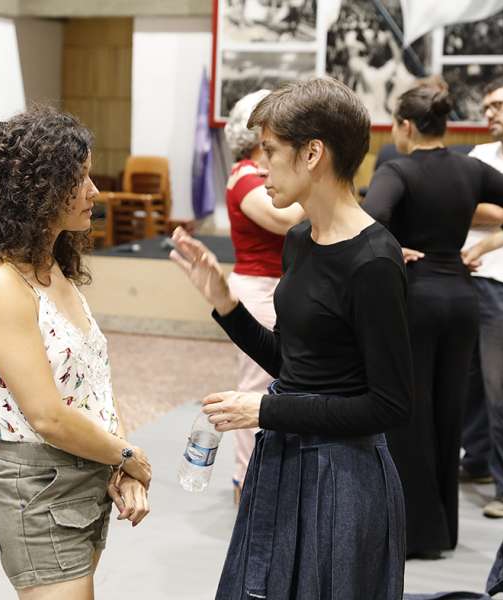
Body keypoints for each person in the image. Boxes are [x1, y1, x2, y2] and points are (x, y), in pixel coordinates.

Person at [171, 77, 412, 599]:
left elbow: (388, 405)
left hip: (342, 478)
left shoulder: (373, 260)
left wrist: (266, 411)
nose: (260, 167)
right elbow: (294, 364)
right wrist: (226, 306)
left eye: (271, 152)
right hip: (286, 463)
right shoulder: (301, 240)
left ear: (312, 154)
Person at [0, 106, 151, 599]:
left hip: (85, 471)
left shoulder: (53, 268)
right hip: (40, 483)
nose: (95, 192)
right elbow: (47, 416)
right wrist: (127, 455)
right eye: (79, 179)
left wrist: (117, 465)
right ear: (37, 189)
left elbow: (94, 383)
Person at [363, 80, 503, 557]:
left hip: (417, 298)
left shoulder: (398, 168)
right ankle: (445, 532)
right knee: (448, 413)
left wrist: (395, 248)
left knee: (409, 413)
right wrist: (491, 243)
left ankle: (417, 534)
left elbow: (370, 218)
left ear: (406, 126)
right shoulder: (472, 168)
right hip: (461, 298)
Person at [222, 89, 304, 504]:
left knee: (275, 387)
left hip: (276, 287)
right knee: (257, 389)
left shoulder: (261, 173)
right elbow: (282, 220)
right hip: (258, 289)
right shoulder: (244, 175)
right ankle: (246, 481)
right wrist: (318, 189)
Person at [460, 76, 503, 519]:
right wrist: (498, 206)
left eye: (497, 105)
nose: (489, 115)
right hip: (466, 283)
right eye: (485, 107)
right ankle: (476, 461)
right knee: (470, 384)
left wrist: (484, 237)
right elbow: (459, 199)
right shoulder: (479, 156)